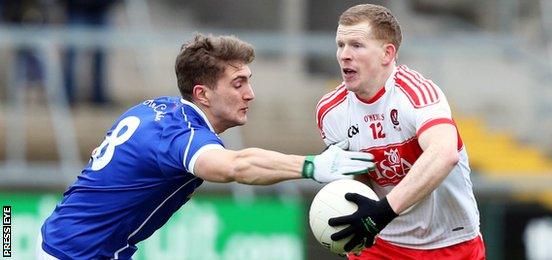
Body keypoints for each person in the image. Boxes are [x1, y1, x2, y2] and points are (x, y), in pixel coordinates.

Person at [38, 33, 375, 259]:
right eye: (238, 83)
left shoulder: (157, 110)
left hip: (61, 243)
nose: (250, 94)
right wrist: (311, 166)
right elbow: (234, 167)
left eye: (249, 82)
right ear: (202, 94)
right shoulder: (177, 135)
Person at [315, 4, 485, 259]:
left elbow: (444, 154)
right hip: (381, 243)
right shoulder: (330, 111)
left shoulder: (418, 93)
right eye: (340, 45)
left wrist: (384, 210)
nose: (343, 55)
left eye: (356, 45)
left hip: (452, 242)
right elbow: (360, 182)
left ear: (387, 53)